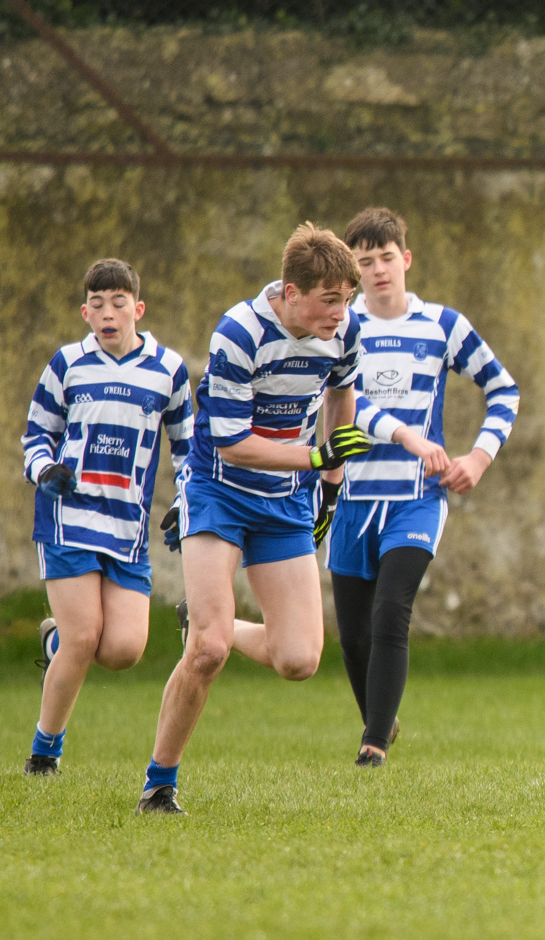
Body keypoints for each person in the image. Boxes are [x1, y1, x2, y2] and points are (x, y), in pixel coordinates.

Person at [137, 223, 373, 814]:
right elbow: (235, 443)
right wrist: (315, 457)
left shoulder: (344, 332)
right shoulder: (239, 332)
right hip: (220, 491)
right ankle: (158, 785)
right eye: (329, 301)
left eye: (346, 300)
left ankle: (210, 623)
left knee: (299, 660)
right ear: (292, 293)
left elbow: (340, 394)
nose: (340, 314)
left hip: (287, 500)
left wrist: (332, 479)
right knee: (208, 654)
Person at [317, 206, 520, 767]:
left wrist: (478, 457)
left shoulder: (443, 327)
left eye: (387, 258)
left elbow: (504, 390)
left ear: (406, 259)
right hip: (355, 499)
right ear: (355, 274)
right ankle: (383, 717)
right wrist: (408, 435)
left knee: (391, 612)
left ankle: (373, 745)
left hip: (416, 500)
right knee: (354, 638)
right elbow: (349, 408)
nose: (379, 270)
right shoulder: (343, 329)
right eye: (366, 262)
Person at [21, 258, 193, 776]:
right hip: (68, 519)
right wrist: (44, 469)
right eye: (97, 305)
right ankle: (43, 755)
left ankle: (55, 642)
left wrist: (186, 504)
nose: (108, 312)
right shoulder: (67, 363)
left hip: (128, 530)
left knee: (122, 650)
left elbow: (190, 452)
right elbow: (36, 436)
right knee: (83, 635)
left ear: (138, 309)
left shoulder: (169, 370)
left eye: (119, 302)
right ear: (85, 313)